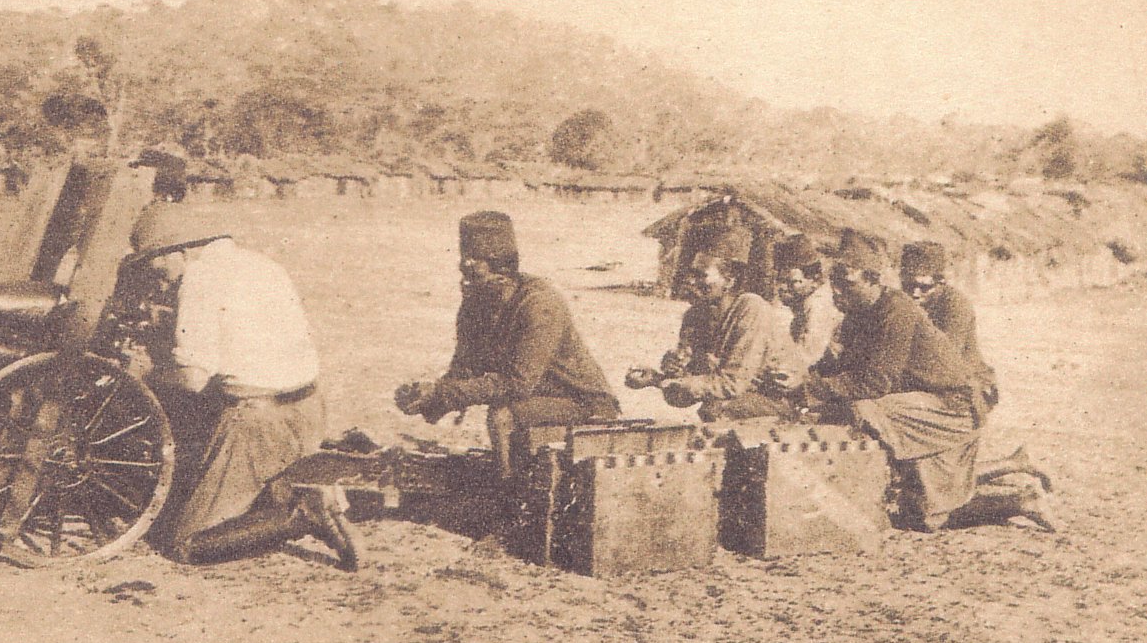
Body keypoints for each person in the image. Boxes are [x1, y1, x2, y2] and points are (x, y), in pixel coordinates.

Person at [764, 229, 1051, 532]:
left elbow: (875, 384)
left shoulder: (896, 310)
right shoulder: (857, 315)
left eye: (847, 285)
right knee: (925, 514)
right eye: (834, 284)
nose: (837, 293)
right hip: (919, 407)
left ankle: (873, 484)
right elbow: (836, 368)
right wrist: (799, 381)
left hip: (953, 409)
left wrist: (808, 389)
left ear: (874, 281)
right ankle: (1020, 499)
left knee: (867, 411)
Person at [126, 203, 359, 569]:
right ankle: (289, 491)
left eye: (157, 264)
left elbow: (193, 378)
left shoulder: (199, 281)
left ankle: (303, 515)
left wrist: (141, 375)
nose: (160, 278)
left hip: (260, 422)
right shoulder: (260, 263)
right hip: (308, 408)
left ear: (181, 250)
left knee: (184, 543)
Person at [395, 211, 619, 481]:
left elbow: (518, 383)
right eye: (464, 266)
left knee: (503, 415)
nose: (465, 274)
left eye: (475, 266)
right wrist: (429, 400)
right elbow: (464, 368)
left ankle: (509, 494)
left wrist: (444, 393)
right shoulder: (475, 304)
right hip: (535, 397)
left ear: (501, 269)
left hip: (583, 402)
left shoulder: (539, 304)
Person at [625, 225, 796, 423]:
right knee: (714, 408)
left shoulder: (751, 309)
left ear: (729, 280)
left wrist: (679, 381)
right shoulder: (695, 316)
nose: (692, 281)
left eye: (701, 275)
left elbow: (732, 385)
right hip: (737, 402)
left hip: (781, 403)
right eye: (691, 274)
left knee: (717, 409)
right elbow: (682, 397)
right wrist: (659, 378)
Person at [900, 241, 999, 408]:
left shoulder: (955, 305)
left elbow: (946, 360)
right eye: (908, 286)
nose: (915, 293)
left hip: (966, 384)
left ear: (941, 282)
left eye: (924, 287)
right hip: (927, 377)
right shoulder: (903, 301)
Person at [773, 233, 843, 369]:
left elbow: (807, 355)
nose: (784, 288)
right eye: (782, 281)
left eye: (792, 282)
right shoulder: (807, 295)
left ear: (813, 278)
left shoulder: (819, 304)